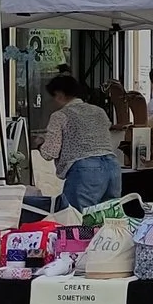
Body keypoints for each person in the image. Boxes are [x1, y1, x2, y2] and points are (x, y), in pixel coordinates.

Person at [39, 72, 122, 209]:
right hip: (112, 167)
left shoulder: (60, 115)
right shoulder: (99, 111)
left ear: (59, 95)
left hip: (85, 170)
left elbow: (49, 152)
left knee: (76, 219)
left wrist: (40, 142)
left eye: (51, 98)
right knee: (108, 219)